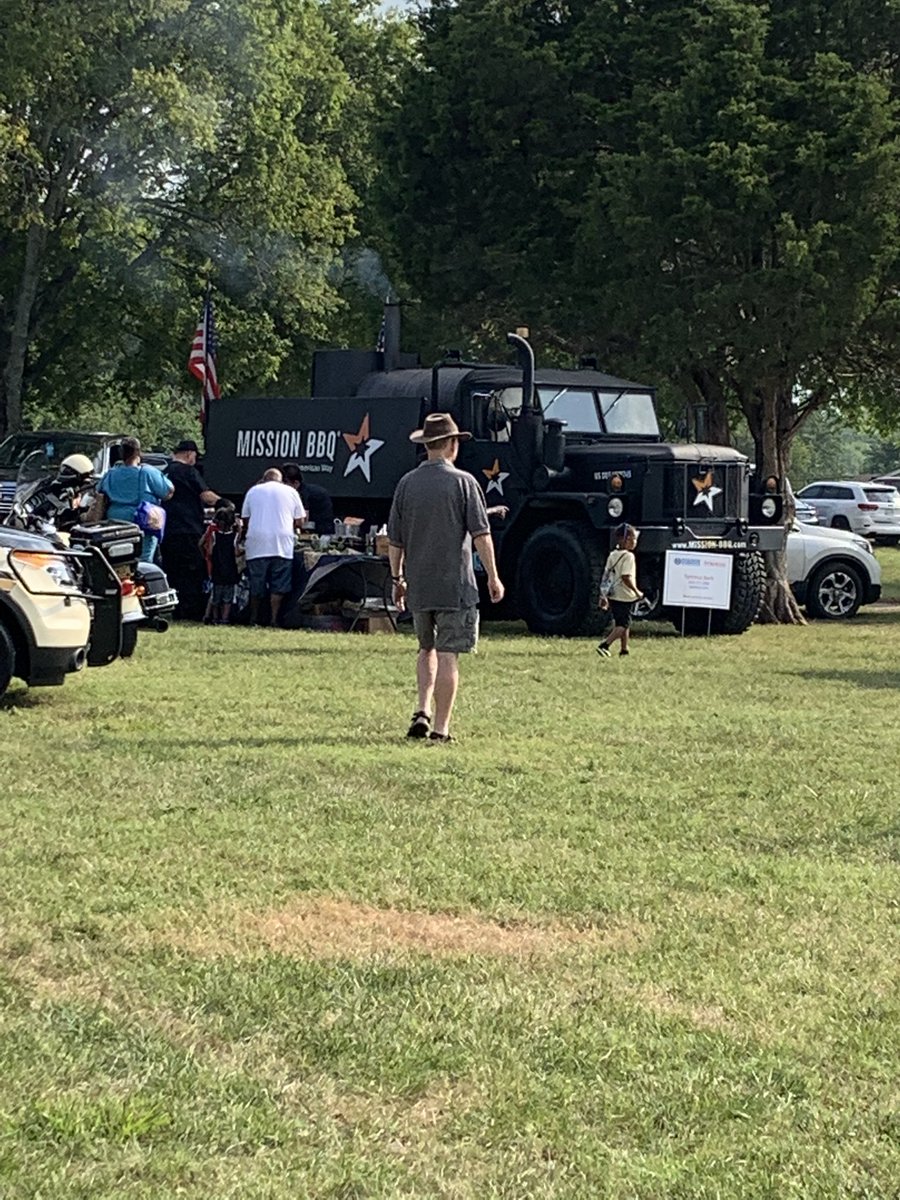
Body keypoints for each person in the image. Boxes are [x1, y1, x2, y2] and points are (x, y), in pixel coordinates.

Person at [387, 412, 504, 744]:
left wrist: (398, 579)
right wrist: (494, 577)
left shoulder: (406, 484)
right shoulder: (465, 482)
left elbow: (395, 541)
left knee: (426, 649)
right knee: (448, 652)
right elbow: (482, 535)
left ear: (426, 445)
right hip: (455, 585)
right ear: (453, 445)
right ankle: (441, 729)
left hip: (419, 584)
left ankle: (421, 709)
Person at [240, 467, 306, 626]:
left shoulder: (253, 491)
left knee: (257, 584)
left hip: (257, 543)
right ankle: (274, 619)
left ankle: (254, 618)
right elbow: (300, 521)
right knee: (279, 585)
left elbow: (245, 519)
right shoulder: (291, 492)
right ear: (280, 480)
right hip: (282, 544)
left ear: (264, 479)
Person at [162, 439, 220, 620]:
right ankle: (190, 611)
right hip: (189, 529)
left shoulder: (165, 472)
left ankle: (174, 609)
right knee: (191, 571)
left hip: (169, 529)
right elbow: (206, 496)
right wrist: (223, 503)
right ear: (189, 454)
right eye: (195, 456)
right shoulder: (189, 472)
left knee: (172, 570)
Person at [95, 436, 173, 562]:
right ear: (138, 452)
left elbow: (99, 492)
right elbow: (168, 492)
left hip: (115, 523)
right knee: (143, 562)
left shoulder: (111, 474)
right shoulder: (148, 472)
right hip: (143, 522)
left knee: (118, 559)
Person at [597, 523, 644, 658]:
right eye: (634, 539)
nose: (635, 542)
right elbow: (626, 577)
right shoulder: (629, 557)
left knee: (622, 622)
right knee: (623, 625)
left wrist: (603, 595)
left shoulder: (613, 555)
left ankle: (624, 649)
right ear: (626, 540)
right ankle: (605, 644)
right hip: (625, 595)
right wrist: (636, 592)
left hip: (613, 594)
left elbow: (607, 575)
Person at [200, 500, 241, 625]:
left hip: (217, 570)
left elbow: (210, 551)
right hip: (230, 571)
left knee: (215, 596)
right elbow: (236, 552)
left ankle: (214, 618)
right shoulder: (234, 536)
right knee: (228, 598)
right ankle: (225, 618)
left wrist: (206, 556)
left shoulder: (214, 535)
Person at [279, 462, 334, 533]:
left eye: (285, 483)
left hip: (319, 532)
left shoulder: (308, 495)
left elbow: (303, 520)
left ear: (296, 483)